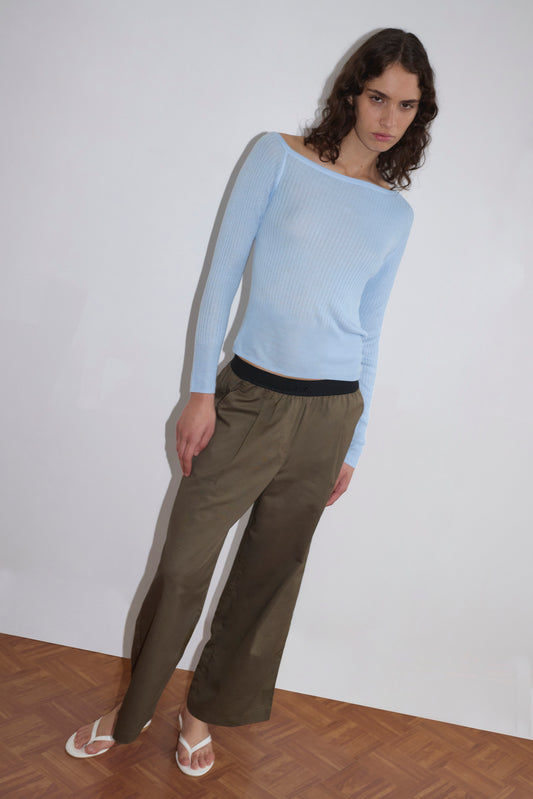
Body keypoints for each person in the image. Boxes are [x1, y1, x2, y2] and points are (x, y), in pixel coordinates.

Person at [65, 27, 438, 776]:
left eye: (405, 105)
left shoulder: (393, 216)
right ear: (350, 91)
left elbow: (368, 331)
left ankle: (199, 714)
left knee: (266, 581)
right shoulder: (277, 156)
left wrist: (354, 444)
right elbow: (221, 275)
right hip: (247, 399)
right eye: (376, 96)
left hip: (329, 415)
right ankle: (129, 709)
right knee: (180, 571)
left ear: (417, 115)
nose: (387, 117)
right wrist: (201, 391)